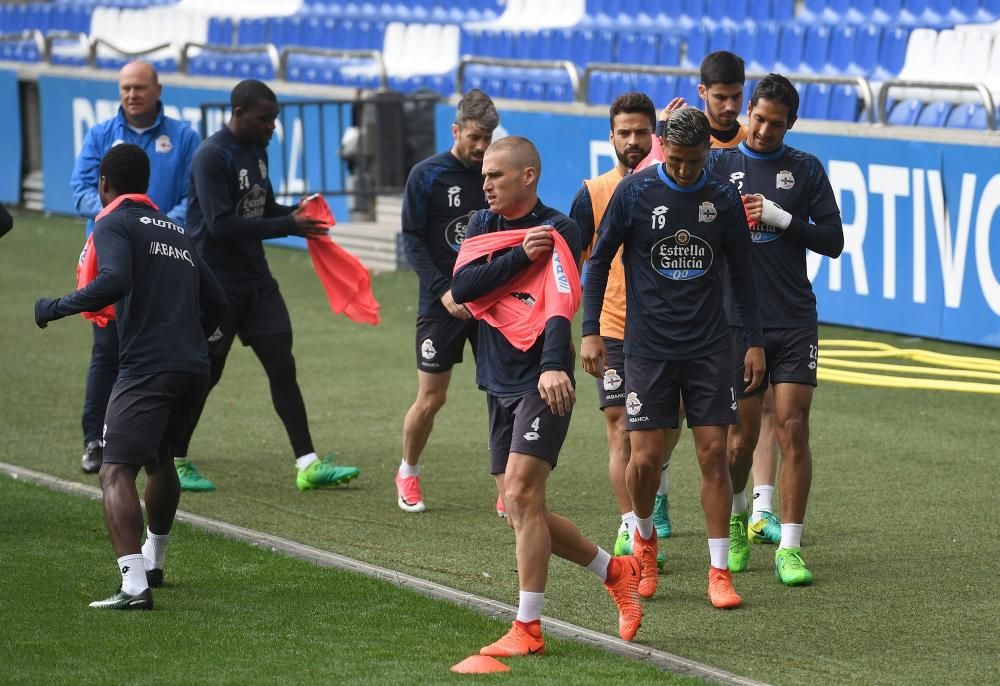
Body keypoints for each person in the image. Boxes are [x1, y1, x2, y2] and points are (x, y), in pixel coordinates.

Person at [451, 136, 642, 654]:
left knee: (521, 494)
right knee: (518, 508)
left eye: (495, 175)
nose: (484, 183)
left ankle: (528, 629)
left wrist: (554, 365)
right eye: (484, 176)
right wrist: (517, 256)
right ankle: (615, 570)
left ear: (528, 176)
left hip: (542, 377)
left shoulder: (560, 227)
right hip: (495, 376)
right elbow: (462, 288)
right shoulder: (480, 227)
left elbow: (561, 299)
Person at [582, 108, 765, 609]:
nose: (685, 171)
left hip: (709, 347)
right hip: (648, 349)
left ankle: (720, 572)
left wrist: (752, 340)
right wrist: (591, 331)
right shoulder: (636, 193)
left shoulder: (723, 198)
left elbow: (744, 274)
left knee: (712, 453)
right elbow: (598, 262)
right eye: (677, 160)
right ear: (664, 148)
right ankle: (644, 538)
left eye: (694, 160)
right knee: (645, 458)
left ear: (709, 151)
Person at [35, 143, 228, 609]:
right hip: (193, 366)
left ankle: (134, 585)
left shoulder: (112, 222)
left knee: (115, 470)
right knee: (161, 458)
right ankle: (154, 561)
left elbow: (115, 280)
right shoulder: (176, 230)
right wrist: (188, 340)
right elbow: (220, 303)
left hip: (147, 367)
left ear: (104, 185)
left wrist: (55, 307)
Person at [176, 79, 360, 492]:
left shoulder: (257, 151)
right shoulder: (211, 155)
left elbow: (262, 208)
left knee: (283, 365)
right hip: (215, 284)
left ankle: (308, 464)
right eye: (265, 118)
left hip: (256, 281)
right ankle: (174, 457)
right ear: (239, 114)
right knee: (207, 372)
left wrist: (298, 216)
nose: (272, 127)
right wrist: (287, 225)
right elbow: (221, 225)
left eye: (274, 118)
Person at [705, 74, 844, 585]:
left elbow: (833, 240)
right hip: (738, 321)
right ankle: (740, 515)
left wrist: (784, 218)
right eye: (757, 119)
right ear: (747, 111)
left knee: (793, 425)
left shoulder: (805, 169)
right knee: (740, 441)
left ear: (792, 124)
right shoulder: (720, 164)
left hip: (793, 317)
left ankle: (790, 545)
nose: (763, 130)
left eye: (775, 123)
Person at [69, 61, 201, 475]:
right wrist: (119, 215)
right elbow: (80, 190)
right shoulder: (100, 135)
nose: (132, 94)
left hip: (163, 261)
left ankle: (159, 441)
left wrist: (154, 225)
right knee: (107, 351)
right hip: (111, 258)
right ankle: (95, 439)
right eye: (125, 87)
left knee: (156, 347)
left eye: (140, 87)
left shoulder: (184, 137)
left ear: (157, 90)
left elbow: (191, 197)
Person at [569, 92, 671, 563]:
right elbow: (574, 266)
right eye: (623, 133)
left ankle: (654, 496)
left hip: (668, 332)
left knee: (663, 433)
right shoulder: (592, 194)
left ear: (655, 135)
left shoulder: (673, 186)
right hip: (613, 328)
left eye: (641, 132)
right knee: (621, 430)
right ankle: (633, 526)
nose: (632, 141)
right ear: (610, 136)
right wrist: (584, 330)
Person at [397, 90, 498, 514]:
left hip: (491, 303)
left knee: (502, 392)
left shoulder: (497, 173)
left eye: (488, 137)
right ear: (456, 130)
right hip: (441, 304)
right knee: (432, 397)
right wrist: (444, 290)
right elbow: (413, 240)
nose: (480, 147)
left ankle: (508, 484)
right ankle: (408, 471)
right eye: (474, 137)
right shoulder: (427, 175)